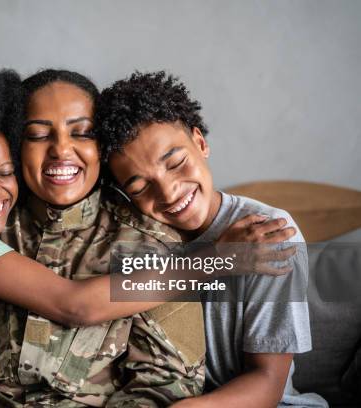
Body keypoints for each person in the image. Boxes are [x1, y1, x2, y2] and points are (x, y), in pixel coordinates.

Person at [0, 69, 300, 407]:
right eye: (38, 135)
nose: (60, 150)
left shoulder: (155, 242)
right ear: (16, 147)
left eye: (82, 132)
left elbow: (165, 386)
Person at [96, 71, 328, 407]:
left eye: (176, 163)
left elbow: (268, 382)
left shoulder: (266, 235)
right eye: (139, 187)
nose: (168, 191)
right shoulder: (132, 240)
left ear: (200, 143)